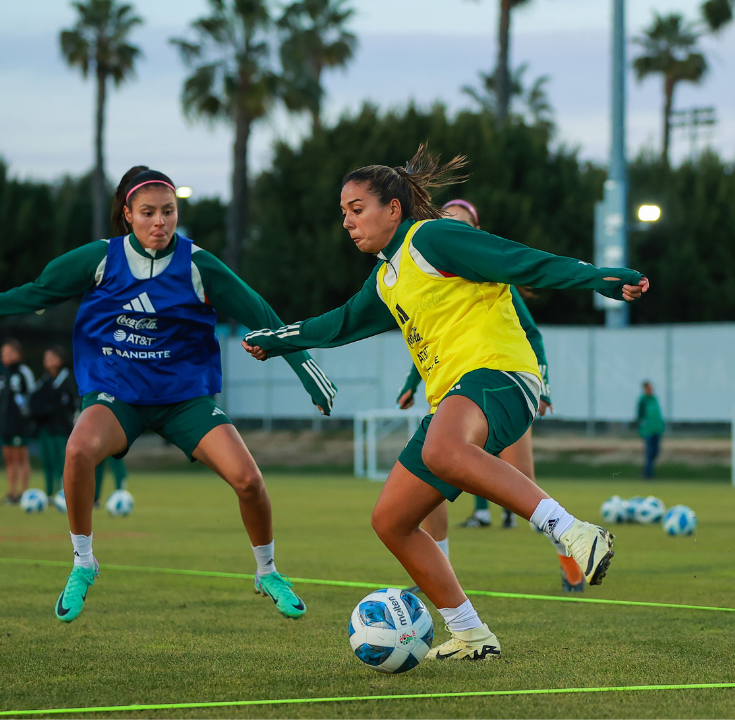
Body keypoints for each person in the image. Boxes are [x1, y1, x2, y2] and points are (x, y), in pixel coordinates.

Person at [243, 145, 648, 660]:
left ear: (394, 209)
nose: (346, 221)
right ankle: (471, 633)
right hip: (458, 397)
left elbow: (519, 260)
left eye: (356, 208)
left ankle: (575, 534)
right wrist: (277, 340)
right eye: (343, 211)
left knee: (441, 449)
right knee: (390, 519)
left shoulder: (431, 238)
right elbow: (340, 324)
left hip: (500, 376)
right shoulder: (387, 276)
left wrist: (600, 279)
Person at [0, 166, 337, 623]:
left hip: (183, 399)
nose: (160, 221)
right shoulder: (100, 259)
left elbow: (261, 313)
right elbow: (33, 295)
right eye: (149, 212)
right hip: (117, 393)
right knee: (77, 450)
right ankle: (83, 562)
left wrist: (305, 366)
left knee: (249, 480)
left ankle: (266, 571)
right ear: (128, 215)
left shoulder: (199, 266)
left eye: (169, 211)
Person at [396, 197, 584, 594]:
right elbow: (428, 341)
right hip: (453, 398)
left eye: (461, 224)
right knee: (426, 488)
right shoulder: (431, 278)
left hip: (498, 389)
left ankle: (568, 551)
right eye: (447, 222)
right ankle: (437, 568)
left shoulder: (491, 278)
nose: (453, 229)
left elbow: (531, 334)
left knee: (525, 493)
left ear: (475, 232)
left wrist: (543, 384)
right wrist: (411, 385)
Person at [31, 346, 77, 507]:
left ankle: (63, 493)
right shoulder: (43, 380)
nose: (48, 361)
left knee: (61, 463)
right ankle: (49, 493)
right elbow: (34, 401)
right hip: (45, 427)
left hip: (61, 428)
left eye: (51, 358)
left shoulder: (67, 378)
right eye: (46, 358)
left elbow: (70, 404)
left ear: (59, 359)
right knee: (47, 462)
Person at [0, 339, 36, 505]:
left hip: (19, 423)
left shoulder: (23, 372)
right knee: (8, 458)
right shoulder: (4, 374)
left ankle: (24, 493)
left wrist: (28, 418)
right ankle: (12, 493)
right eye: (3, 353)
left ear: (18, 354)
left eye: (9, 353)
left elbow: (31, 396)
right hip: (6, 423)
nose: (6, 356)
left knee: (20, 457)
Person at [636, 381, 664, 479]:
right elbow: (640, 416)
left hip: (656, 428)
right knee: (649, 451)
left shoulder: (654, 399)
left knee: (655, 451)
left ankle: (647, 470)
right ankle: (648, 473)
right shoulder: (643, 400)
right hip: (648, 430)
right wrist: (642, 426)